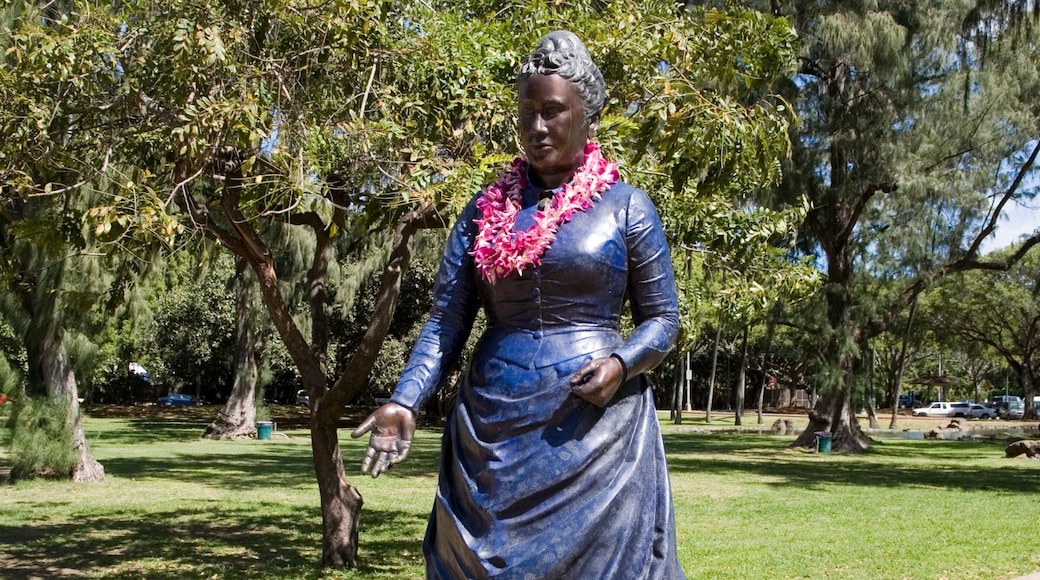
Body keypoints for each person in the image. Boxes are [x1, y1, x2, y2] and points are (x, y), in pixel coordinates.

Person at [352, 30, 685, 579]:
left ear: (588, 116)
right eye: (527, 112)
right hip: (491, 426)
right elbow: (446, 319)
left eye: (553, 111)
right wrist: (405, 400)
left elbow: (664, 319)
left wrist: (623, 364)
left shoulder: (628, 207)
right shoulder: (483, 211)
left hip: (595, 427)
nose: (537, 127)